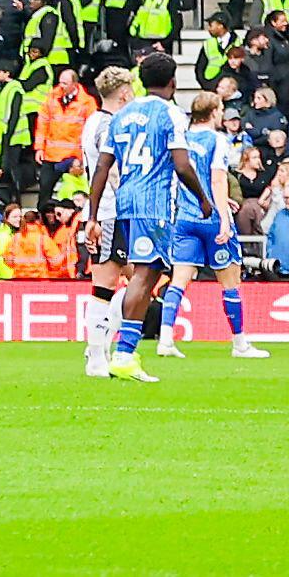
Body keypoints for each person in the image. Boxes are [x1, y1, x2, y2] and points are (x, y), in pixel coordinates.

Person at [77, 63, 192, 383]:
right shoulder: (109, 125)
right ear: (125, 93)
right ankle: (100, 354)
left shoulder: (93, 122)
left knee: (138, 281)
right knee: (107, 285)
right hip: (118, 211)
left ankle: (111, 350)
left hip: (111, 212)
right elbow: (109, 170)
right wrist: (102, 213)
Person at [165, 91, 263, 360]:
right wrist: (222, 216)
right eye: (220, 109)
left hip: (184, 217)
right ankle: (240, 343)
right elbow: (218, 180)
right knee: (230, 281)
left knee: (179, 280)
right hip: (210, 219)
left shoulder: (181, 138)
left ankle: (165, 339)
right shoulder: (217, 140)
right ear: (213, 112)